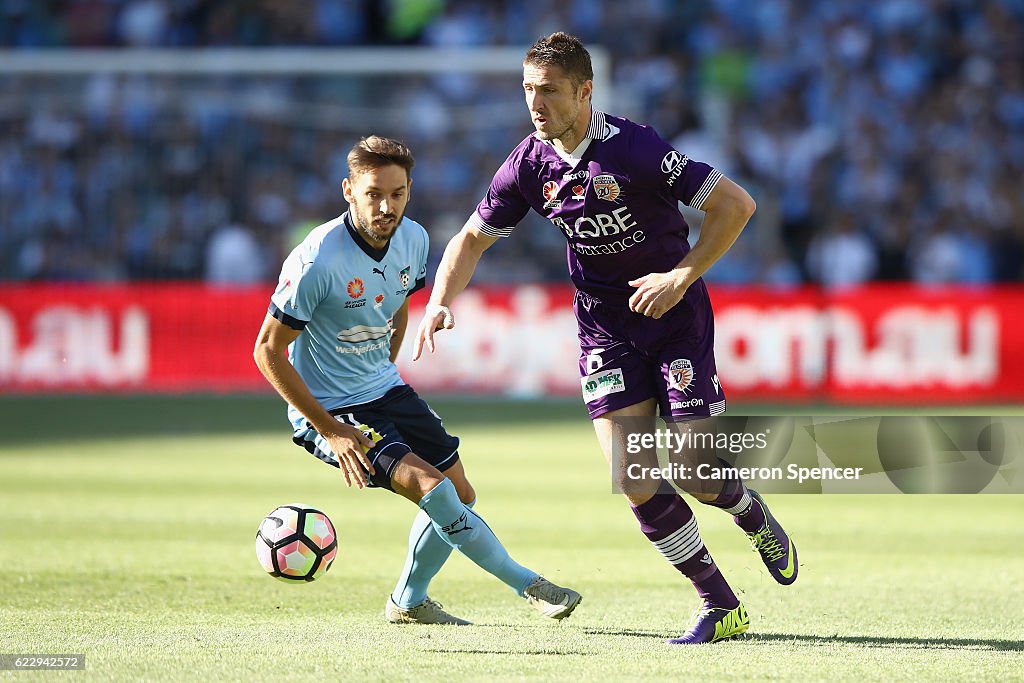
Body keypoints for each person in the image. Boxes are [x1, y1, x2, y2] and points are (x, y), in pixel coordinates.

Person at [413, 33, 797, 645]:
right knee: (635, 474)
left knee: (696, 472)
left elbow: (736, 205)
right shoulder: (528, 165)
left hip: (674, 320)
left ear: (584, 91)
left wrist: (681, 274)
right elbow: (471, 238)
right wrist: (439, 299)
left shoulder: (638, 150)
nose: (535, 104)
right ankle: (720, 605)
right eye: (528, 91)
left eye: (549, 91)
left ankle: (748, 510)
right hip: (605, 332)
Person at [254, 135, 581, 625]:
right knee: (431, 488)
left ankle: (408, 603)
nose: (387, 206)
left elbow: (399, 302)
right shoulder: (318, 259)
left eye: (398, 194)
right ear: (348, 191)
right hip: (330, 410)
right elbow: (267, 350)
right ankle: (530, 586)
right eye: (373, 194)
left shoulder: (415, 238)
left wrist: (384, 365)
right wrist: (330, 429)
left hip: (385, 387)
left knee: (460, 493)